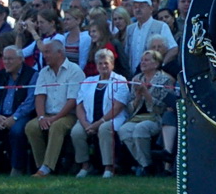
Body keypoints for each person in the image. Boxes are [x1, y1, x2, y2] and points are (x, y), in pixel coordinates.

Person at [24, 39, 82, 177]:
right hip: (48, 113)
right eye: (44, 52)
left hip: (69, 115)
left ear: (60, 53)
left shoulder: (75, 71)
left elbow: (72, 100)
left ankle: (47, 167)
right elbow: (39, 96)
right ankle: (41, 165)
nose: (45, 56)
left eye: (48, 52)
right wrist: (42, 117)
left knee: (57, 126)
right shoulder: (44, 72)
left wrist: (55, 118)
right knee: (31, 127)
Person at [0, 44, 36, 174]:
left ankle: (17, 168)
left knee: (17, 131)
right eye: (5, 59)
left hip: (22, 115)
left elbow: (31, 101)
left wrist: (14, 117)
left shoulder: (32, 75)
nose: (6, 62)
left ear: (21, 59)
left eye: (10, 59)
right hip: (1, 115)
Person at [73, 47, 129, 177]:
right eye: (100, 63)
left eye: (106, 63)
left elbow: (118, 107)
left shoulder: (120, 81)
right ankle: (85, 166)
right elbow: (79, 105)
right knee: (76, 131)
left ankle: (109, 167)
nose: (103, 66)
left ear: (112, 65)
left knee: (104, 129)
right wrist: (86, 124)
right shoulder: (88, 81)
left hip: (111, 119)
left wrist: (98, 123)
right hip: (89, 119)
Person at [121, 48, 173, 176]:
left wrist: (146, 93)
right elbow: (130, 107)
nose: (142, 63)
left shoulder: (164, 80)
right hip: (138, 116)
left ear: (156, 63)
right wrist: (138, 97)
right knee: (124, 130)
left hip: (156, 117)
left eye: (147, 60)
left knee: (140, 129)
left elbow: (163, 106)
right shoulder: (137, 78)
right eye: (142, 60)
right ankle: (147, 164)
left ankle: (146, 167)